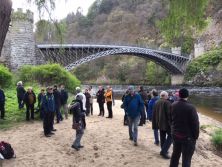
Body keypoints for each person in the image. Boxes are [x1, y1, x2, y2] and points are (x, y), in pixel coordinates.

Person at [170, 88, 199, 167]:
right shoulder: (191, 107)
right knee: (186, 159)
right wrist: (195, 136)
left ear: (179, 95)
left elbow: (171, 120)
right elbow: (195, 124)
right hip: (187, 137)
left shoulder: (173, 105)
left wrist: (173, 130)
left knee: (175, 155)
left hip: (175, 135)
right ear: (187, 96)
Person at [152, 91, 172, 159]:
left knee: (162, 137)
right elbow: (170, 115)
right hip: (167, 124)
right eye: (167, 96)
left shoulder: (156, 102)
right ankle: (164, 151)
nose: (168, 97)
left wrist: (155, 123)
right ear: (165, 96)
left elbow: (154, 113)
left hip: (159, 123)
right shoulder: (167, 102)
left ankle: (163, 150)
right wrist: (172, 124)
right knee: (171, 136)